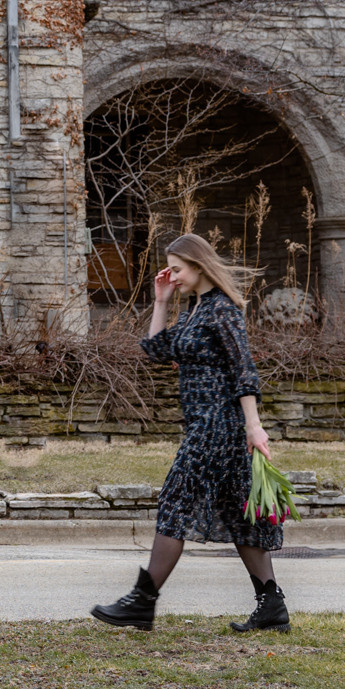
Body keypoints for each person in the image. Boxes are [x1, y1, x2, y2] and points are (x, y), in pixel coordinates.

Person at [90, 233, 289, 633]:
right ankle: (271, 606)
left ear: (199, 266)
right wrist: (161, 300)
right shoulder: (196, 309)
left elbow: (244, 369)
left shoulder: (222, 310)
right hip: (205, 423)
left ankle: (142, 602)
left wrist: (254, 426)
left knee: (175, 502)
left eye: (177, 269)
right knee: (240, 515)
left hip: (218, 425)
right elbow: (155, 350)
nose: (173, 275)